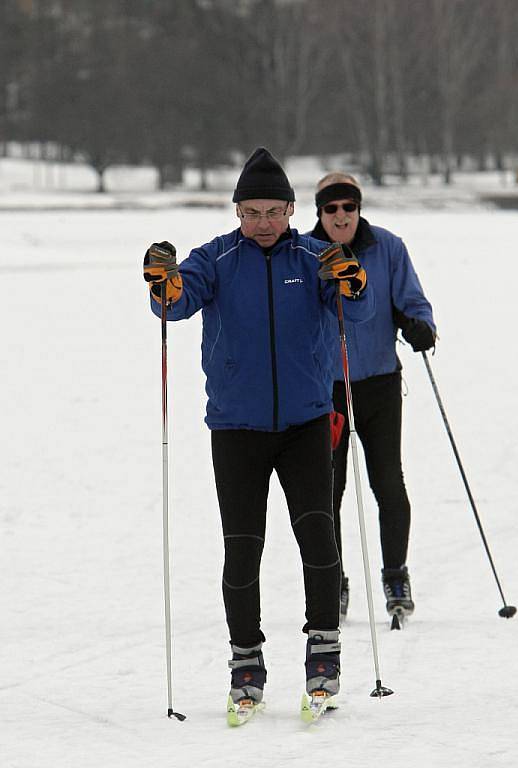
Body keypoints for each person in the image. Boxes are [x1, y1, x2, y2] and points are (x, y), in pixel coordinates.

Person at [143, 149, 374, 714]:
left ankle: (324, 651)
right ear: (237, 212)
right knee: (242, 549)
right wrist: (163, 286)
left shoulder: (318, 254)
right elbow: (174, 305)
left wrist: (355, 285)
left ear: (293, 210)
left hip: (305, 422)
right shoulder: (216, 258)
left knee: (318, 537)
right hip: (236, 427)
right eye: (252, 212)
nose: (263, 223)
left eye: (273, 211)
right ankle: (245, 659)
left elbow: (357, 313)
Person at [309, 172, 436, 621]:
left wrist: (419, 326)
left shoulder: (388, 247)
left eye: (348, 206)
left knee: (388, 482)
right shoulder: (306, 254)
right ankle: (334, 579)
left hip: (380, 382)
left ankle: (395, 575)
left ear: (358, 208)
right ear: (319, 212)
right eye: (331, 208)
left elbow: (412, 301)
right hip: (326, 391)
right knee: (328, 489)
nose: (340, 215)